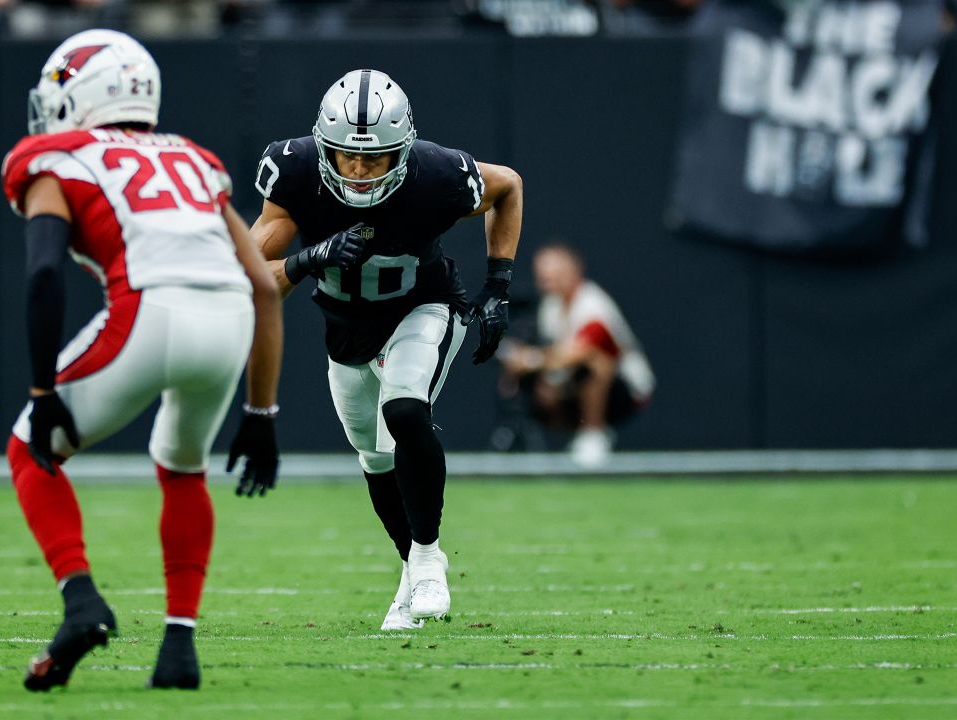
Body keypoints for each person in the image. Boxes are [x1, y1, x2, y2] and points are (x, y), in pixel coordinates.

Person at [0, 29, 282, 692]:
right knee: (184, 466)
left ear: (83, 94)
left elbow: (43, 274)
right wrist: (261, 412)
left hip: (146, 311)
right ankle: (178, 648)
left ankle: (80, 602)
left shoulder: (56, 155)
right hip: (229, 322)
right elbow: (265, 286)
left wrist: (44, 392)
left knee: (26, 449)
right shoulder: (193, 158)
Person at [250, 69, 523, 629]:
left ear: (403, 150)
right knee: (374, 456)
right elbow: (252, 278)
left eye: (375, 159)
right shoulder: (296, 171)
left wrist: (498, 286)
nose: (358, 169)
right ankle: (413, 570)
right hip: (345, 327)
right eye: (347, 156)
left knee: (403, 408)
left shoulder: (438, 174)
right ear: (323, 146)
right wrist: (312, 257)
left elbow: (508, 186)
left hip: (423, 304)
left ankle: (427, 562)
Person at [499, 243, 654, 467]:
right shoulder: (550, 306)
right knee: (535, 381)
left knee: (593, 364)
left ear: (574, 271)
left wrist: (531, 360)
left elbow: (578, 354)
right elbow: (557, 353)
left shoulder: (593, 305)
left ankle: (594, 435)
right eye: (543, 277)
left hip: (628, 390)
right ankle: (578, 437)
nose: (547, 282)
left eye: (555, 275)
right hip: (573, 385)